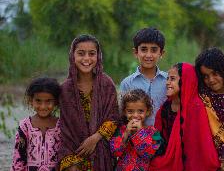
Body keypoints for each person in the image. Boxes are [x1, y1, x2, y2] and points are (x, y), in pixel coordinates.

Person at [59, 34, 119, 171]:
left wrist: (95, 138)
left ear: (98, 56)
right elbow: (65, 126)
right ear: (72, 56)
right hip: (73, 146)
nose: (86, 58)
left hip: (101, 144)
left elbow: (114, 118)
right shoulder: (65, 89)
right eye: (81, 53)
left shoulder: (106, 83)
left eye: (92, 53)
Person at [149, 63, 220, 171]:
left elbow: (200, 147)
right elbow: (157, 137)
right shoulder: (164, 108)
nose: (168, 82)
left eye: (172, 79)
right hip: (168, 158)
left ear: (186, 80)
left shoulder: (196, 107)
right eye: (167, 79)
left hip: (191, 163)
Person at [10, 77, 61, 171]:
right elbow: (18, 156)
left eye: (48, 101)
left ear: (56, 101)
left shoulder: (61, 126)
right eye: (38, 101)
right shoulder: (25, 126)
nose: (43, 106)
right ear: (31, 100)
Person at [120, 27, 167, 126]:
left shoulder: (168, 81)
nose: (148, 55)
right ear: (136, 52)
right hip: (135, 137)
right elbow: (123, 116)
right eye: (144, 49)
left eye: (154, 50)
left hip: (165, 138)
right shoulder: (127, 83)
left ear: (161, 53)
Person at [110, 89, 163, 171]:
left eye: (140, 111)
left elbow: (148, 154)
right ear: (124, 112)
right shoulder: (120, 130)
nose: (135, 115)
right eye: (130, 111)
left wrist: (139, 133)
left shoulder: (155, 133)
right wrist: (126, 134)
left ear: (148, 111)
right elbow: (114, 152)